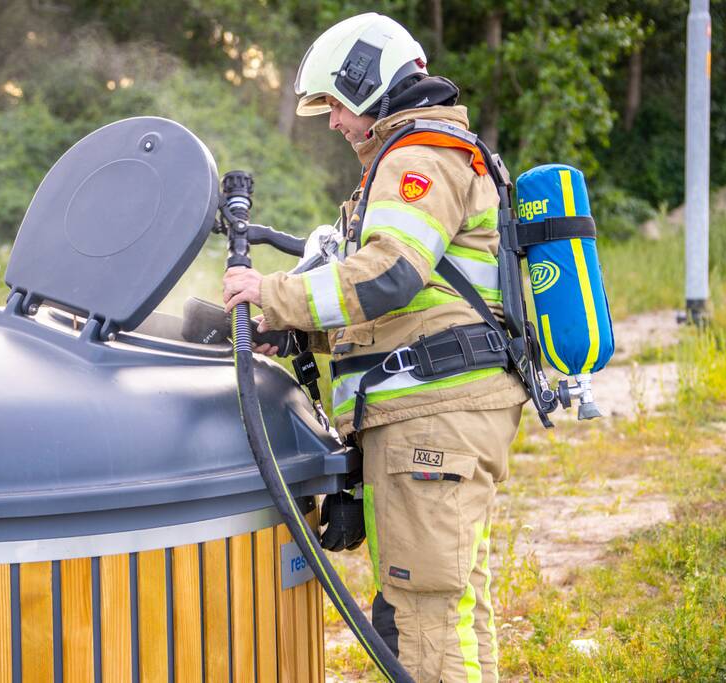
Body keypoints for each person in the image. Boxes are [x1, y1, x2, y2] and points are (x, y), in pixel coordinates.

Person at [222, 12, 527, 683]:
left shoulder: (418, 157)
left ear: (368, 83)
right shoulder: (431, 153)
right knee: (451, 604)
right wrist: (301, 328)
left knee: (422, 613)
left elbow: (390, 274)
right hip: (442, 411)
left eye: (334, 104)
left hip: (433, 416)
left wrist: (268, 293)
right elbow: (404, 304)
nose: (331, 123)